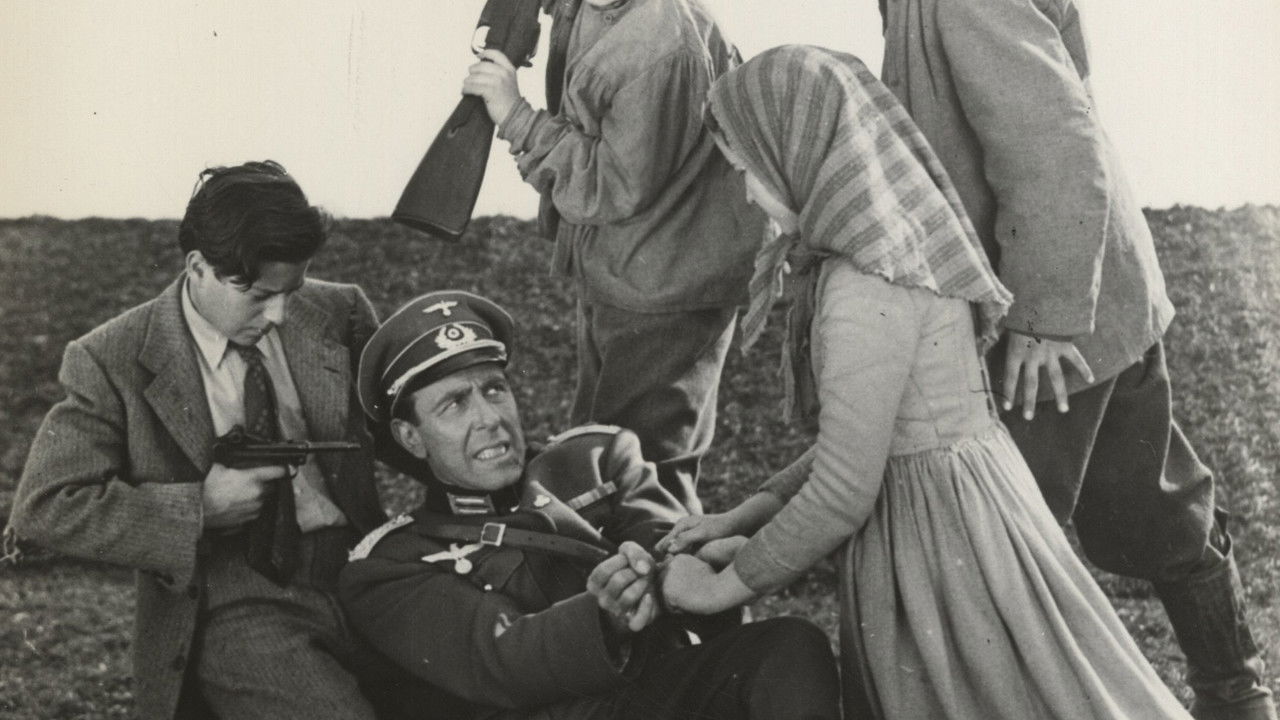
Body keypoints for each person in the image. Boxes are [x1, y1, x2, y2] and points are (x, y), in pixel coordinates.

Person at [655, 46, 1195, 720]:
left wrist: (717, 590)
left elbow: (842, 492)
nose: (745, 193)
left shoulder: (860, 287)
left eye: (745, 170)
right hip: (975, 511)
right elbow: (866, 440)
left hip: (937, 541)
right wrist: (744, 519)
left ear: (793, 150)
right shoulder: (901, 246)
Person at [874, 2, 1274, 717]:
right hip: (1097, 295)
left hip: (1051, 318)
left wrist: (1044, 317)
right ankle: (1237, 693)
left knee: (995, 532)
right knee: (1155, 504)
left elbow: (1052, 142)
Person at [338, 290, 841, 720]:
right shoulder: (388, 568)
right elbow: (502, 658)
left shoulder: (596, 459)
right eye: (454, 404)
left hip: (647, 694)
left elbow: (663, 543)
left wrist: (691, 566)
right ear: (410, 437)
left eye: (494, 389)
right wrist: (606, 617)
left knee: (787, 648)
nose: (489, 417)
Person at [8, 161, 391, 720]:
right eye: (259, 296)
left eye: (292, 290)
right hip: (236, 597)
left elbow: (403, 430)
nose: (279, 314)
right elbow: (45, 507)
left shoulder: (342, 310)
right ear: (197, 267)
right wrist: (197, 509)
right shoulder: (110, 358)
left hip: (365, 569)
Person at [460, 0, 760, 512]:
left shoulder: (662, 41)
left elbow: (610, 185)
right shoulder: (599, 8)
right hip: (624, 269)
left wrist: (516, 117)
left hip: (667, 290)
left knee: (645, 475)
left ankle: (660, 563)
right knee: (599, 452)